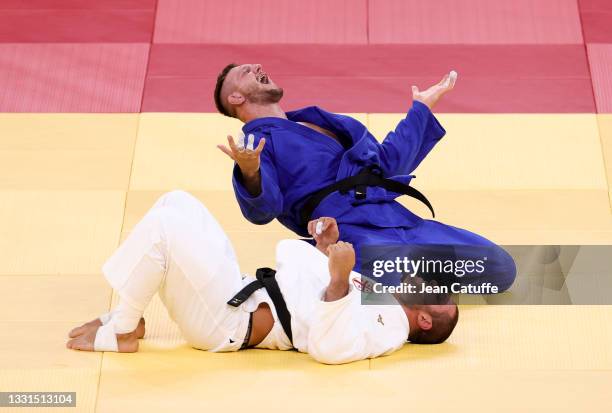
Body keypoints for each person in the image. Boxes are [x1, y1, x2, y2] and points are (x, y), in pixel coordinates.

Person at [214, 63, 516, 292]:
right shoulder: (255, 146)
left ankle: (392, 287)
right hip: (350, 234)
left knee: (500, 268)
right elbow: (263, 210)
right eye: (245, 71)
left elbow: (384, 165)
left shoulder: (316, 121)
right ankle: (340, 275)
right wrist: (250, 171)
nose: (257, 67)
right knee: (391, 273)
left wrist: (421, 110)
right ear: (236, 97)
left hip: (396, 219)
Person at [66, 191, 458, 365]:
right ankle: (125, 320)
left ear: (424, 320)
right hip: (238, 289)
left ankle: (122, 328)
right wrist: (325, 247)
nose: (431, 285)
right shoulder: (380, 299)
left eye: (438, 296)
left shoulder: (390, 328)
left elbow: (330, 348)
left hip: (229, 323)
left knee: (167, 226)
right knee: (176, 202)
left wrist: (339, 280)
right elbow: (314, 296)